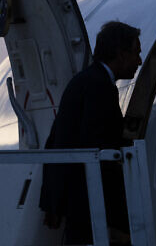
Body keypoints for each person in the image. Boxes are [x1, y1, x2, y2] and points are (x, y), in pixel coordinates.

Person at [40, 21, 142, 245]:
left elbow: (55, 140)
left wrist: (53, 201)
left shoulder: (84, 81)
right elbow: (95, 145)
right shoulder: (100, 86)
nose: (139, 61)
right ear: (120, 54)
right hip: (88, 203)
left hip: (77, 202)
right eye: (135, 54)